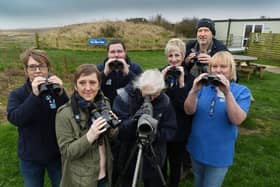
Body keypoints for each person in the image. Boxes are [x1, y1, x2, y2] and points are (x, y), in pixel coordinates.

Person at [184, 51, 251, 187]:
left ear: (231, 69)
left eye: (223, 66)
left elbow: (237, 120)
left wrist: (227, 93)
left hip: (219, 153)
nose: (218, 70)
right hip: (197, 147)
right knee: (198, 181)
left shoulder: (241, 91)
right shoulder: (204, 87)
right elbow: (189, 110)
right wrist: (193, 91)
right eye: (214, 66)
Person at [7, 48, 69, 187]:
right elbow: (16, 119)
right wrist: (34, 95)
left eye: (41, 66)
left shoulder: (55, 91)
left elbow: (68, 113)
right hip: (30, 157)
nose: (37, 71)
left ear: (48, 69)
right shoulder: (18, 94)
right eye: (32, 67)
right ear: (26, 70)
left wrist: (62, 93)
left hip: (56, 154)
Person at [55, 64, 118, 187]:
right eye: (82, 83)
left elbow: (110, 139)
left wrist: (113, 128)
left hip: (105, 175)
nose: (87, 88)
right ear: (75, 86)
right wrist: (90, 135)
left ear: (99, 85)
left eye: (92, 83)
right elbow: (67, 152)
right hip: (82, 180)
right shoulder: (65, 114)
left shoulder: (104, 103)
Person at [113, 69, 177, 187]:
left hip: (153, 155)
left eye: (155, 94)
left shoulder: (165, 101)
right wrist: (133, 121)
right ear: (139, 87)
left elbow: (171, 130)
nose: (151, 99)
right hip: (128, 152)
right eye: (147, 95)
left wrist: (154, 133)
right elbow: (117, 130)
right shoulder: (125, 97)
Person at [160, 38, 192, 187]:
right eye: (170, 56)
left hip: (180, 127)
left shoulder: (190, 78)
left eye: (177, 56)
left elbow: (185, 107)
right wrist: (161, 80)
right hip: (161, 126)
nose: (173, 60)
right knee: (160, 161)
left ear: (183, 56)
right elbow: (153, 99)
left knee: (175, 163)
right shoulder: (161, 73)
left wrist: (181, 83)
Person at [97, 39, 143, 105]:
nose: (116, 55)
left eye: (119, 51)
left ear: (125, 52)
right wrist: (104, 74)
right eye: (112, 52)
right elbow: (94, 89)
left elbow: (142, 89)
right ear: (108, 54)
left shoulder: (135, 68)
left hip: (129, 108)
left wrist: (128, 73)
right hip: (106, 107)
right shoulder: (100, 68)